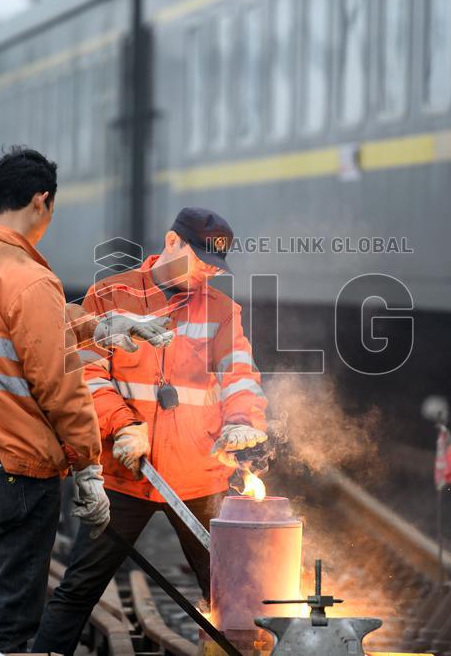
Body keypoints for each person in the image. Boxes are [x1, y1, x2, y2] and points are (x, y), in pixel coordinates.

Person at [0, 146, 171, 652]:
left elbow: (27, 327)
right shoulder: (31, 278)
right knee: (13, 616)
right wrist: (88, 468)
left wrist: (105, 325)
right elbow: (61, 387)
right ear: (42, 201)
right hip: (23, 466)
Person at [34, 207, 269, 655]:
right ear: (171, 241)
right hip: (128, 472)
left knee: (232, 601)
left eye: (213, 267)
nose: (205, 273)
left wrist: (242, 421)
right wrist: (124, 426)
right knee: (80, 589)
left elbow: (240, 375)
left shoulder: (222, 310)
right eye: (199, 259)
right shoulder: (110, 296)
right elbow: (88, 375)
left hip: (200, 478)